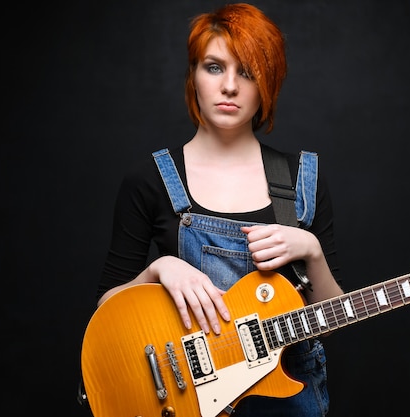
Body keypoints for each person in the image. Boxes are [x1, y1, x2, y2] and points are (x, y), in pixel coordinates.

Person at [94, 3, 343, 416]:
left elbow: (329, 322)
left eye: (247, 72)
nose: (229, 86)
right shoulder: (150, 178)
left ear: (268, 84)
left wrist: (311, 249)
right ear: (193, 76)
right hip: (187, 399)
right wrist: (158, 271)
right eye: (214, 67)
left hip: (288, 399)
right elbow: (106, 308)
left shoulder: (303, 178)